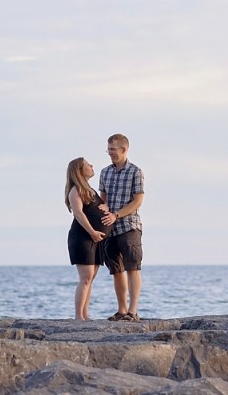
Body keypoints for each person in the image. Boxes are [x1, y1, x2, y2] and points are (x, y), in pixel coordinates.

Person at [98, 133, 145, 321]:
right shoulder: (104, 172)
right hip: (110, 229)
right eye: (108, 150)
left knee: (133, 267)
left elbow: (137, 201)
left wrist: (116, 214)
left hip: (129, 226)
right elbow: (103, 199)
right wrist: (105, 211)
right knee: (116, 270)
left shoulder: (136, 172)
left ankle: (133, 311)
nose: (109, 153)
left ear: (123, 149)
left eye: (112, 150)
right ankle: (122, 310)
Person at [65, 157, 112, 320]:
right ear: (79, 170)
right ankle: (78, 316)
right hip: (83, 237)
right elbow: (79, 213)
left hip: (95, 239)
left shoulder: (90, 190)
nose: (92, 166)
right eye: (88, 165)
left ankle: (85, 314)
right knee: (85, 278)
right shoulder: (76, 190)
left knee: (90, 278)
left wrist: (106, 206)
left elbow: (98, 207)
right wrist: (92, 231)